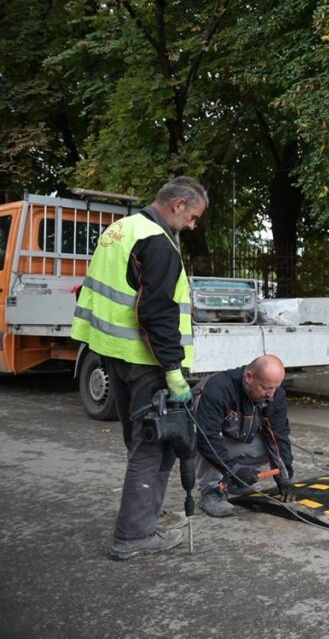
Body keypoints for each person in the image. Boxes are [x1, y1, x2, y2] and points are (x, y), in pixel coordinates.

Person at [71, 175, 208, 560]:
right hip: (146, 361)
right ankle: (134, 536)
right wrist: (173, 369)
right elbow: (157, 313)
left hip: (113, 353)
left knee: (142, 442)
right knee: (154, 446)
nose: (192, 226)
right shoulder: (157, 243)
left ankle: (146, 516)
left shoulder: (119, 230)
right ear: (178, 204)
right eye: (193, 217)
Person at [194, 354, 296, 517]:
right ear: (249, 377)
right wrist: (234, 469)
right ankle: (211, 491)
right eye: (266, 388)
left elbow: (278, 436)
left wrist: (284, 477)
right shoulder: (217, 389)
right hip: (202, 440)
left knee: (271, 448)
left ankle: (233, 483)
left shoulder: (275, 394)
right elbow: (206, 437)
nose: (271, 394)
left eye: (275, 388)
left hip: (234, 439)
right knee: (203, 440)